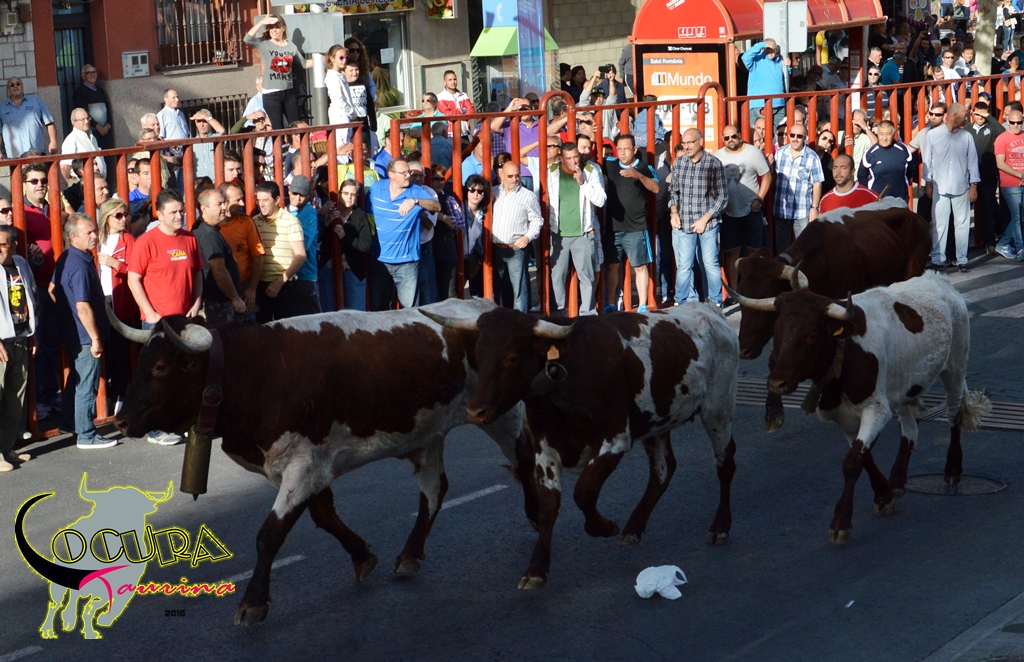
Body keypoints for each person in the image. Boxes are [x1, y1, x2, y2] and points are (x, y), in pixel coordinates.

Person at [127, 189, 203, 445]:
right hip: (157, 323)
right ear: (159, 215)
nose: (179, 216)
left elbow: (198, 272)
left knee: (181, 375)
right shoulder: (146, 242)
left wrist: (197, 301)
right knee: (155, 377)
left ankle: (178, 422)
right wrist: (149, 312)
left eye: (181, 211)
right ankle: (154, 430)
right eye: (173, 212)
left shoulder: (189, 238)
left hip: (183, 321)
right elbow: (133, 279)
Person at [53, 214, 115, 450]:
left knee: (77, 379)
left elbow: (51, 289)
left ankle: (69, 423)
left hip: (74, 332)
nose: (94, 236)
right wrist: (95, 338)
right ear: (73, 237)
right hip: (85, 335)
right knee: (87, 384)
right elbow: (82, 306)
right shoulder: (79, 265)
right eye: (88, 232)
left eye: (94, 231)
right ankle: (86, 435)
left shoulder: (67, 258)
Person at [366, 158, 439, 309]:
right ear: (391, 174)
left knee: (410, 311)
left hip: (407, 264)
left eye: (409, 172)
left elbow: (436, 206)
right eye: (404, 173)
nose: (408, 176)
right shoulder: (376, 189)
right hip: (380, 261)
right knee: (379, 310)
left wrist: (415, 201)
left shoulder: (416, 191)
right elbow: (366, 212)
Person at [669, 129, 726, 306]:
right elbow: (673, 191)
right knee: (684, 265)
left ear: (700, 141)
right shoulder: (679, 163)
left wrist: (705, 219)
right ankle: (681, 301)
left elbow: (723, 196)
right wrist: (674, 212)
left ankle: (715, 302)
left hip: (708, 224)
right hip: (684, 222)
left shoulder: (713, 164)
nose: (686, 146)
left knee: (710, 264)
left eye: (690, 142)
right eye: (684, 143)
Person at [548, 142, 605, 315]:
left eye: (576, 157)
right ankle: (560, 312)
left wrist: (583, 183)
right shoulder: (551, 171)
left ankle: (588, 314)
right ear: (561, 158)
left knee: (586, 277)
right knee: (557, 276)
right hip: (558, 234)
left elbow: (601, 200)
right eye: (569, 158)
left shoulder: (591, 170)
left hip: (583, 233)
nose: (574, 161)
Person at [923, 103, 980, 272]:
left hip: (961, 186)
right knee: (939, 225)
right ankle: (938, 259)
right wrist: (928, 184)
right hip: (939, 187)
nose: (967, 118)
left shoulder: (967, 137)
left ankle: (962, 259)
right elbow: (927, 161)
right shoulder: (933, 135)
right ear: (955, 116)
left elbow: (973, 162)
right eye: (964, 115)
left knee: (962, 225)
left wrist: (973, 186)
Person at [603, 134, 657, 313]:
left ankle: (642, 305)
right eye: (619, 149)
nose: (623, 153)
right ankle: (611, 304)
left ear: (634, 149)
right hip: (613, 228)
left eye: (626, 149)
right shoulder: (610, 164)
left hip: (636, 228)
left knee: (640, 266)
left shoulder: (644, 167)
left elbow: (656, 187)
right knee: (612, 266)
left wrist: (638, 176)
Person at [714, 125, 771, 291]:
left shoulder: (753, 152)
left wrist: (759, 200)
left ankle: (754, 290)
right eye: (726, 138)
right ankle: (734, 291)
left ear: (739, 135)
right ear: (722, 139)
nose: (730, 140)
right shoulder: (717, 157)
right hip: (728, 212)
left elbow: (767, 177)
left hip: (751, 211)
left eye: (733, 136)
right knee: (731, 253)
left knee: (755, 253)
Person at [96, 199, 137, 414]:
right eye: (118, 215)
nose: (123, 219)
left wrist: (115, 264)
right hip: (100, 300)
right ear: (106, 218)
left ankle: (121, 393)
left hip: (120, 302)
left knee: (120, 351)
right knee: (103, 350)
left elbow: (138, 271)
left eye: (126, 214)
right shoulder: (96, 239)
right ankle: (105, 395)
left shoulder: (129, 240)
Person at [0, 224, 36, 469]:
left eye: (2, 245)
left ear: (13, 245)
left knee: (15, 399)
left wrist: (33, 333)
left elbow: (31, 296)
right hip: (1, 342)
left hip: (20, 336)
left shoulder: (21, 264)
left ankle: (6, 448)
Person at [251, 181, 308, 321]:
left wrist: (280, 282)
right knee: (262, 328)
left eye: (265, 200)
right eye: (258, 200)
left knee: (285, 328)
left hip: (284, 286)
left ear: (277, 200)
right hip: (259, 284)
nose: (261, 204)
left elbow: (301, 255)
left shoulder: (291, 222)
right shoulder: (253, 222)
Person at [244, 15, 311, 131]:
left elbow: (304, 64)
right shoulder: (264, 43)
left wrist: (324, 60)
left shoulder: (290, 46)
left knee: (296, 126)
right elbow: (247, 39)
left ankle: (295, 143)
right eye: (271, 27)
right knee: (278, 129)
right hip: (271, 94)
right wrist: (262, 22)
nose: (274, 30)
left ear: (283, 28)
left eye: (277, 27)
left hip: (289, 93)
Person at [492, 161, 544, 312]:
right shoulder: (494, 192)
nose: (514, 179)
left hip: (516, 249)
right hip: (495, 248)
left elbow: (537, 220)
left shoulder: (528, 196)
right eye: (510, 176)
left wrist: (527, 237)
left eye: (517, 175)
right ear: (502, 176)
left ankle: (521, 322)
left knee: (520, 290)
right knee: (497, 288)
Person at [193, 188, 247, 325]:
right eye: (219, 204)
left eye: (224, 203)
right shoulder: (209, 234)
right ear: (204, 209)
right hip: (217, 305)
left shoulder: (204, 229)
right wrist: (234, 298)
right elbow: (219, 270)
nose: (224, 207)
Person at [772, 123, 824, 251]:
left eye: (799, 136)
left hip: (802, 211)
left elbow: (817, 183)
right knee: (782, 250)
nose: (795, 139)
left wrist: (814, 207)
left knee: (803, 249)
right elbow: (773, 177)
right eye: (792, 135)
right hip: (781, 209)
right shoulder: (780, 153)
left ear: (805, 137)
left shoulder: (812, 157)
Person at [218, 182, 265, 312]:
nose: (242, 204)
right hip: (218, 293)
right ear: (224, 203)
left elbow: (258, 256)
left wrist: (252, 289)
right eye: (237, 200)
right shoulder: (210, 226)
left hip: (243, 289)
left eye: (242, 199)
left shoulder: (246, 222)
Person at [969, 101, 1006, 251]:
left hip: (987, 175)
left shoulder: (991, 128)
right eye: (977, 113)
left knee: (988, 208)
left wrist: (989, 117)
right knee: (966, 209)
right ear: (972, 113)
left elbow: (1002, 133)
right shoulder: (967, 130)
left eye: (983, 114)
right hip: (970, 176)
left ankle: (989, 242)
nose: (980, 117)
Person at [333, 180, 373, 310]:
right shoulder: (331, 213)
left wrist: (345, 237)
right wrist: (325, 220)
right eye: (346, 193)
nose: (349, 197)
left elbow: (366, 244)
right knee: (329, 315)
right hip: (330, 270)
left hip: (353, 270)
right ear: (339, 194)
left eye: (353, 194)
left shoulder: (360, 215)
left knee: (356, 314)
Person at [286, 175, 322, 315]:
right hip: (289, 275)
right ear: (289, 191)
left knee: (313, 318)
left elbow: (304, 245)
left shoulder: (310, 213)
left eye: (302, 195)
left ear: (308, 196)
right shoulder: (284, 210)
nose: (298, 198)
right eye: (295, 193)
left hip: (305, 274)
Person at [1, 77, 57, 158]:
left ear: (22, 86)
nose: (15, 86)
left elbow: (49, 122)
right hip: (15, 156)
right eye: (12, 85)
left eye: (18, 84)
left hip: (37, 153)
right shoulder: (2, 108)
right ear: (8, 89)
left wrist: (53, 141)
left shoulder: (36, 101)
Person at [858, 120, 914, 202]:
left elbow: (911, 170)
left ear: (894, 134)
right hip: (877, 202)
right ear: (877, 134)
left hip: (900, 200)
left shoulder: (903, 150)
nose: (884, 138)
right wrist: (872, 195)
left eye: (888, 134)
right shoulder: (870, 153)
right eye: (881, 134)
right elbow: (862, 176)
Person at [994, 108, 1024, 260]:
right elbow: (1000, 163)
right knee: (1017, 217)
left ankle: (1004, 243)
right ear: (1007, 121)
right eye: (1012, 122)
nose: (1016, 125)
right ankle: (1021, 249)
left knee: (1020, 217)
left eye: (1019, 122)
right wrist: (1020, 175)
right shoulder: (1001, 139)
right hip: (1011, 184)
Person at [742, 39, 791, 130]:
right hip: (760, 105)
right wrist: (762, 45)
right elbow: (745, 57)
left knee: (777, 135)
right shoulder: (756, 60)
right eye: (768, 49)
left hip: (779, 106)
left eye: (773, 49)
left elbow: (785, 77)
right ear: (763, 48)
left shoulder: (779, 61)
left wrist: (787, 66)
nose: (771, 52)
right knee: (759, 135)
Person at [72, 64, 112, 150]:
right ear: (83, 76)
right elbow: (83, 112)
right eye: (88, 73)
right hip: (92, 131)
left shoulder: (100, 90)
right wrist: (98, 127)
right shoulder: (80, 92)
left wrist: (107, 126)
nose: (92, 74)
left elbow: (107, 109)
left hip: (104, 132)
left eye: (94, 72)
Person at [61, 108, 107, 180]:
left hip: (98, 182)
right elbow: (65, 166)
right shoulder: (71, 139)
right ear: (74, 122)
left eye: (88, 118)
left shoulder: (92, 137)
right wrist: (70, 182)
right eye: (82, 119)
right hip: (83, 183)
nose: (86, 121)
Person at [436, 69, 476, 138]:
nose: (453, 82)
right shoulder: (440, 97)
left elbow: (472, 112)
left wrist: (458, 114)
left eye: (454, 79)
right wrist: (463, 110)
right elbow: (449, 115)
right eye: (450, 80)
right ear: (445, 82)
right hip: (449, 134)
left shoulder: (464, 95)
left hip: (464, 133)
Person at [189, 108, 226, 181]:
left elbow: (222, 131)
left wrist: (207, 117)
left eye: (204, 121)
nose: (202, 125)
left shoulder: (216, 138)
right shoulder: (192, 142)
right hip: (199, 182)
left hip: (216, 180)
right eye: (199, 121)